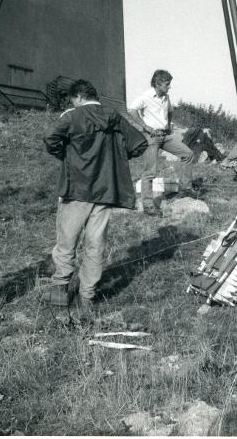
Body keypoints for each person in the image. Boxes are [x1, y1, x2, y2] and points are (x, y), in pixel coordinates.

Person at [42, 79, 147, 316]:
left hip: (76, 190)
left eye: (73, 100)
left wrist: (65, 156)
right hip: (105, 190)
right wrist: (115, 157)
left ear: (78, 97)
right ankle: (87, 297)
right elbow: (139, 143)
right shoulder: (114, 115)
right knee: (95, 244)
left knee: (66, 242)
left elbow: (49, 138)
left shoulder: (72, 115)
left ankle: (60, 292)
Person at [127, 69, 197, 216]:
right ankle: (148, 206)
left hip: (165, 135)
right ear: (157, 83)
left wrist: (168, 124)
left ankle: (185, 189)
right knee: (150, 172)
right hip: (151, 137)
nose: (169, 86)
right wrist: (145, 127)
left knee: (188, 154)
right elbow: (132, 110)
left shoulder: (166, 97)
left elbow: (170, 110)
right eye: (167, 84)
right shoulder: (146, 96)